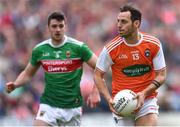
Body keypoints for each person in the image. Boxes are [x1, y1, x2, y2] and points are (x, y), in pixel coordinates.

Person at [6, 11, 100, 126]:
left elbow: (100, 67)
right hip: (49, 104)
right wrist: (15, 84)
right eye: (54, 26)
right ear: (48, 28)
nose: (58, 29)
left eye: (61, 26)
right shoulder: (40, 50)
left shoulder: (78, 47)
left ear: (66, 27)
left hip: (72, 106)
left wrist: (95, 91)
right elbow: (27, 74)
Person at [94, 4, 166, 126]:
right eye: (118, 21)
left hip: (146, 101)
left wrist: (144, 93)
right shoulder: (111, 49)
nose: (119, 25)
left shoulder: (153, 44)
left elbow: (161, 75)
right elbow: (97, 75)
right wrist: (108, 98)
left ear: (136, 24)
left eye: (124, 22)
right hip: (122, 104)